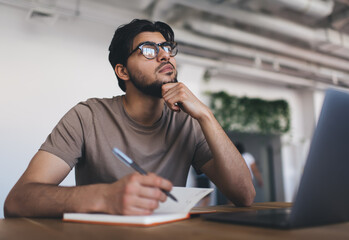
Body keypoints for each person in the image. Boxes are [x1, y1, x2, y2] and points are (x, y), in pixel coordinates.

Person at [4, 19, 255, 218]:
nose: (165, 55)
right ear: (122, 71)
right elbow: (17, 200)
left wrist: (206, 116)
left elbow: (245, 195)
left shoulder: (188, 122)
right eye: (148, 50)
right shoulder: (86, 116)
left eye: (167, 48)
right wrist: (104, 197)